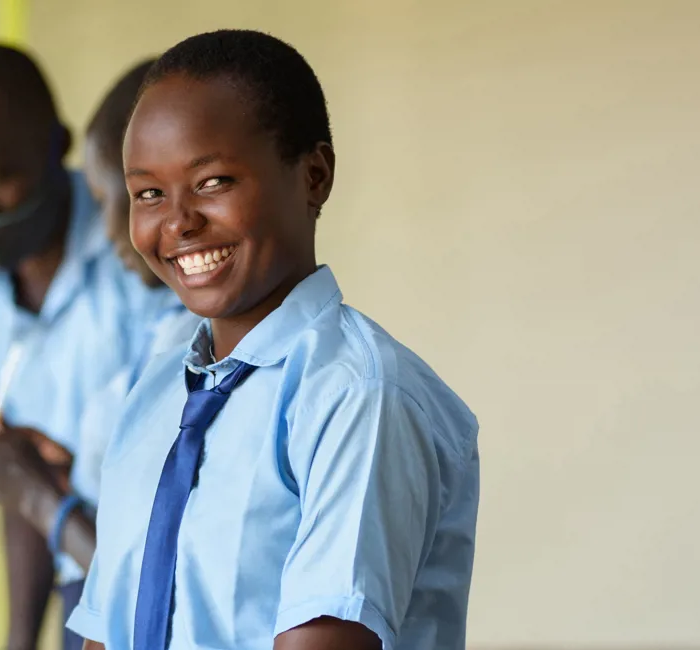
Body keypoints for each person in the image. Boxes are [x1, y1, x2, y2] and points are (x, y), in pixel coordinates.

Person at [66, 31, 480, 650]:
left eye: (213, 182)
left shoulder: (356, 398)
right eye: (148, 193)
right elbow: (107, 629)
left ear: (314, 175)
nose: (177, 222)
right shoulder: (155, 396)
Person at [0, 44, 157, 650]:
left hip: (152, 577)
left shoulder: (141, 256)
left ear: (57, 146)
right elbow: (15, 482)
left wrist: (37, 490)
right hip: (82, 567)